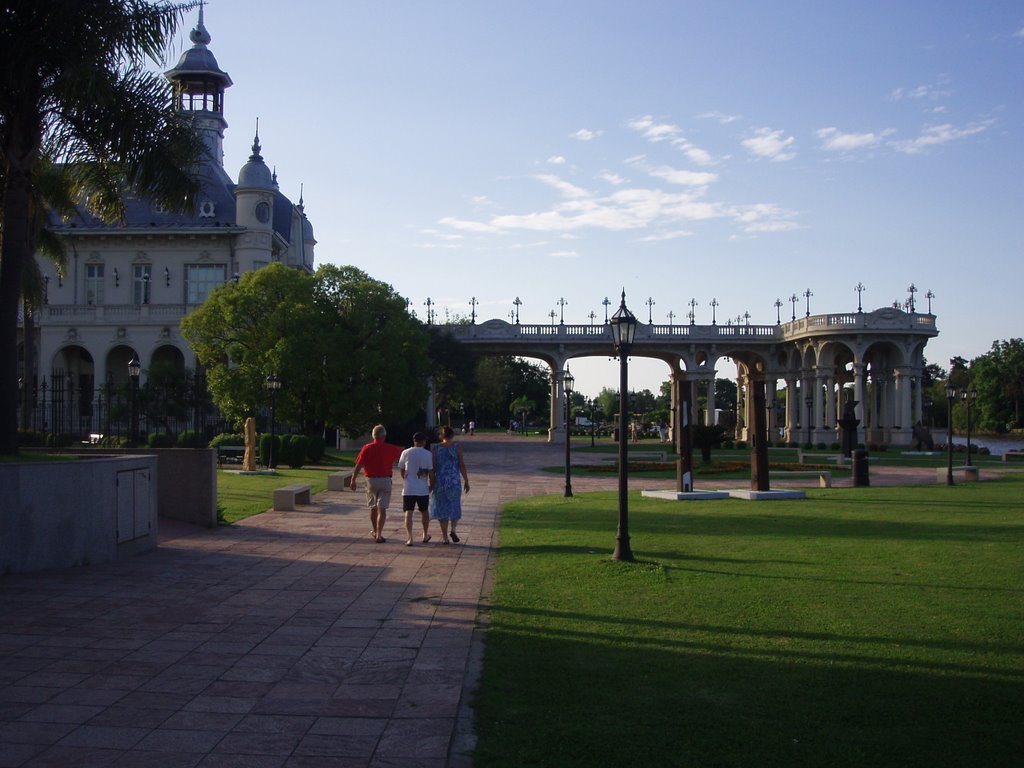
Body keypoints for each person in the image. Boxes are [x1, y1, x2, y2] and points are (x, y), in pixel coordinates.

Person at [349, 424, 404, 543]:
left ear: (373, 435)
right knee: (382, 508)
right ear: (384, 436)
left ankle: (374, 530)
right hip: (385, 480)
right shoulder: (391, 448)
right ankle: (379, 534)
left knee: (373, 507)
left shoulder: (367, 448)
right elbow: (404, 455)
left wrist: (353, 479)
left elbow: (359, 465)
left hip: (371, 480)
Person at [429, 425, 469, 544]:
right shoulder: (457, 447)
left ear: (441, 436)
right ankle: (453, 529)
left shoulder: (436, 448)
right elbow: (461, 464)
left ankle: (445, 537)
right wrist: (466, 480)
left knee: (442, 510)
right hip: (454, 481)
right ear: (452, 435)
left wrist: (432, 483)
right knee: (455, 506)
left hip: (441, 482)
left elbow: (433, 467)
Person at [398, 432, 433, 546]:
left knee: (408, 513)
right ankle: (425, 534)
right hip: (422, 488)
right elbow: (431, 472)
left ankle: (410, 538)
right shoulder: (428, 454)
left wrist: (405, 478)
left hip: (409, 488)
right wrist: (431, 486)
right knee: (424, 512)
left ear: (414, 441)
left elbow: (402, 469)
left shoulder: (405, 452)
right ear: (423, 441)